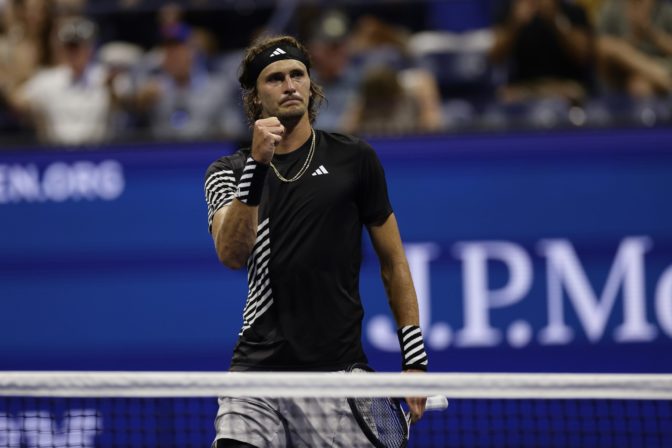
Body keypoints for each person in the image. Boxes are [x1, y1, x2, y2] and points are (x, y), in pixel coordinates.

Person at [204, 35, 428, 447]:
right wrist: (257, 165)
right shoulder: (228, 170)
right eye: (275, 79)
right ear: (255, 98)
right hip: (256, 377)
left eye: (297, 75)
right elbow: (231, 253)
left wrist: (414, 359)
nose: (289, 85)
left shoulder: (355, 160)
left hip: (336, 376)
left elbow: (394, 262)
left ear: (311, 85)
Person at [6, 16, 120, 145]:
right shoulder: (48, 79)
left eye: (79, 46)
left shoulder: (105, 76)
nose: (74, 52)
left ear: (90, 48)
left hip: (99, 154)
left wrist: (112, 92)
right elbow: (17, 101)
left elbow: (132, 102)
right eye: (70, 46)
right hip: (57, 154)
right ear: (62, 49)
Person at [489, 0, 594, 105]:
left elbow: (582, 55)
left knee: (576, 96)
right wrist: (515, 23)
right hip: (524, 87)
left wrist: (555, 19)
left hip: (564, 85)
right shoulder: (511, 10)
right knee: (502, 99)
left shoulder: (573, 11)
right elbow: (495, 56)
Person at [595, 0, 672, 98]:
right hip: (620, 68)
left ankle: (659, 78)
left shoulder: (665, 9)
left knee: (640, 87)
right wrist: (634, 38)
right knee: (608, 46)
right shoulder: (611, 7)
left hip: (657, 64)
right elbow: (599, 46)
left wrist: (650, 33)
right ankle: (662, 78)